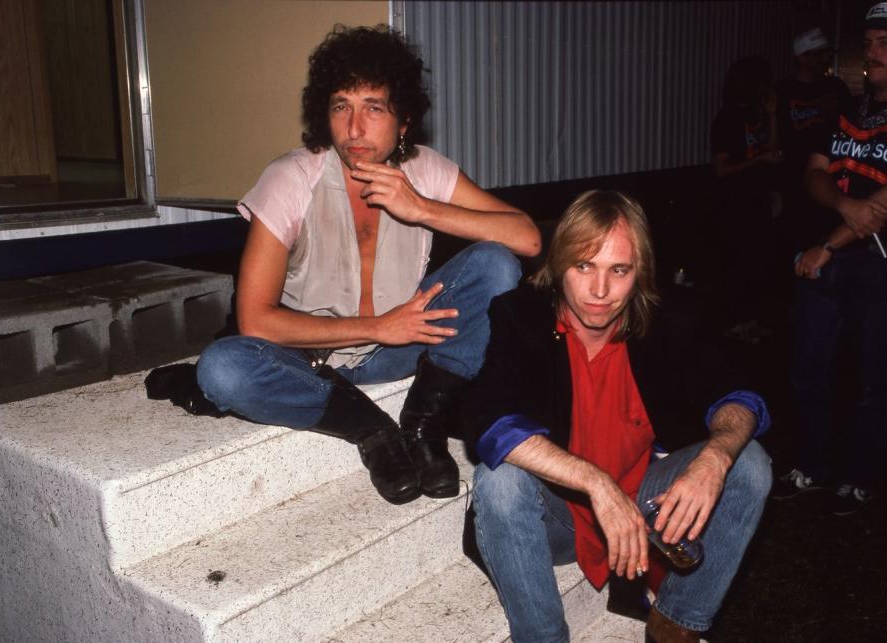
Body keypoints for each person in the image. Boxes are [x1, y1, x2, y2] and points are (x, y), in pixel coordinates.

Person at [196, 25, 541, 505]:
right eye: (342, 106)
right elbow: (255, 319)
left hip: (396, 351)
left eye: (373, 108)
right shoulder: (291, 178)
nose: (354, 128)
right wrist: (381, 326)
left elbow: (527, 238)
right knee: (222, 370)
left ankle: (423, 422)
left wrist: (422, 208)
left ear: (403, 123)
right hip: (306, 358)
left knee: (494, 263)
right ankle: (374, 431)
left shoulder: (425, 170)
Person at [462, 191, 772, 643]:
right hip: (561, 512)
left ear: (638, 272)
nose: (600, 291)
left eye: (618, 270)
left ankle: (676, 625)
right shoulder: (520, 315)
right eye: (583, 266)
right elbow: (487, 420)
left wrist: (715, 459)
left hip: (646, 500)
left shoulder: (668, 320)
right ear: (559, 263)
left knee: (750, 462)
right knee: (500, 481)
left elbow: (741, 396)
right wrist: (596, 483)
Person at [776, 2, 887, 515]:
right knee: (809, 370)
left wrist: (828, 244)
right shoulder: (842, 111)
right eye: (867, 43)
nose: (873, 52)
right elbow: (813, 172)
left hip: (884, 264)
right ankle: (812, 466)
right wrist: (845, 204)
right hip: (826, 261)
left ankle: (861, 478)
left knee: (873, 377)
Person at [710, 55, 783, 342]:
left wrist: (774, 114)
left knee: (758, 263)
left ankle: (750, 321)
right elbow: (721, 169)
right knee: (737, 265)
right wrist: (760, 160)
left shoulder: (757, 114)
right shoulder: (727, 118)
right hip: (734, 203)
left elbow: (773, 152)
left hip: (757, 200)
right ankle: (734, 324)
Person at [775, 27, 851, 262]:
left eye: (826, 53)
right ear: (801, 56)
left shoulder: (836, 88)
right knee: (793, 242)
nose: (825, 59)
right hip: (793, 180)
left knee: (827, 238)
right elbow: (776, 135)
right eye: (818, 54)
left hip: (829, 177)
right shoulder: (783, 91)